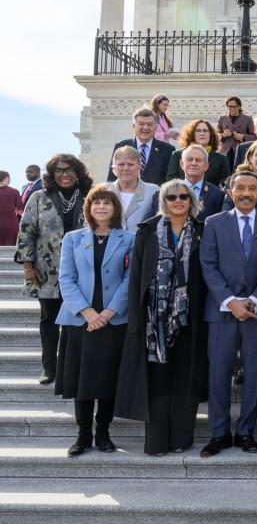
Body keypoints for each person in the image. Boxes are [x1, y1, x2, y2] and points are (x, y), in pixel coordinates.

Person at [114, 179, 208, 456]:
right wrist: (135, 320)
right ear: (163, 202)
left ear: (191, 200)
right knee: (156, 380)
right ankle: (156, 441)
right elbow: (136, 279)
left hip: (189, 317)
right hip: (153, 320)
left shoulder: (203, 230)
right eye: (171, 197)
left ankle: (181, 439)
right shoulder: (147, 231)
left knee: (184, 378)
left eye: (183, 196)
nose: (178, 201)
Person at [199, 169, 257, 457]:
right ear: (230, 192)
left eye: (253, 189)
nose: (247, 193)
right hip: (222, 311)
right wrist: (230, 300)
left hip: (256, 312)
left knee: (254, 373)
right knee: (218, 374)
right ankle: (219, 433)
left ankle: (246, 432)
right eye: (241, 188)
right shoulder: (213, 223)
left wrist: (254, 299)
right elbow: (208, 265)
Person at [55, 185, 135, 456]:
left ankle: (103, 433)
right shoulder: (73, 239)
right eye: (96, 203)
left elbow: (130, 279)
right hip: (81, 319)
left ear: (115, 208)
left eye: (107, 203)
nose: (101, 207)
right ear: (88, 208)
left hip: (113, 319)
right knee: (82, 379)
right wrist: (87, 312)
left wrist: (109, 312)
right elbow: (66, 278)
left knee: (107, 378)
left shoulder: (128, 239)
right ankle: (82, 435)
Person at [16, 154, 93, 384]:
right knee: (49, 319)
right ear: (51, 174)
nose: (65, 174)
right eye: (59, 170)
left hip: (82, 271)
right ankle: (49, 367)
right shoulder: (39, 197)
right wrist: (28, 266)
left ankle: (72, 367)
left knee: (79, 319)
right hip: (47, 270)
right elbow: (26, 231)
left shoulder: (91, 196)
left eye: (70, 170)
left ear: (78, 173)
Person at [107, 108, 175, 186]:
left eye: (149, 124)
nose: (145, 127)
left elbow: (171, 181)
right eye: (141, 124)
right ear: (134, 126)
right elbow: (112, 178)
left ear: (155, 127)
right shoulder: (121, 147)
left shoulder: (168, 150)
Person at [158, 144, 224, 223]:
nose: (193, 163)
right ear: (182, 164)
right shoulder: (164, 192)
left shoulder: (217, 194)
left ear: (206, 166)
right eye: (189, 159)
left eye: (198, 160)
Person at [165, 119, 231, 187]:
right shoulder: (177, 155)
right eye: (198, 131)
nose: (202, 133)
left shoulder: (221, 159)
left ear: (210, 135)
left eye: (205, 131)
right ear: (192, 134)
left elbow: (225, 185)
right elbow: (171, 180)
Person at [107, 146, 159, 232]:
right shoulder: (105, 190)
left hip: (141, 244)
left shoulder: (153, 190)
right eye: (121, 164)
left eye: (130, 164)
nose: (126, 168)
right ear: (114, 168)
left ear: (139, 167)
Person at [216, 96, 256, 167]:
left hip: (241, 151)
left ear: (239, 107)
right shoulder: (222, 119)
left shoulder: (248, 119)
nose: (231, 109)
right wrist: (223, 135)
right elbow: (216, 135)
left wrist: (243, 136)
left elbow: (254, 137)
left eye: (234, 107)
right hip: (225, 152)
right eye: (229, 107)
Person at [0, 171, 22, 245]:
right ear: (6, 177)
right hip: (11, 222)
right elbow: (19, 205)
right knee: (11, 248)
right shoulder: (14, 191)